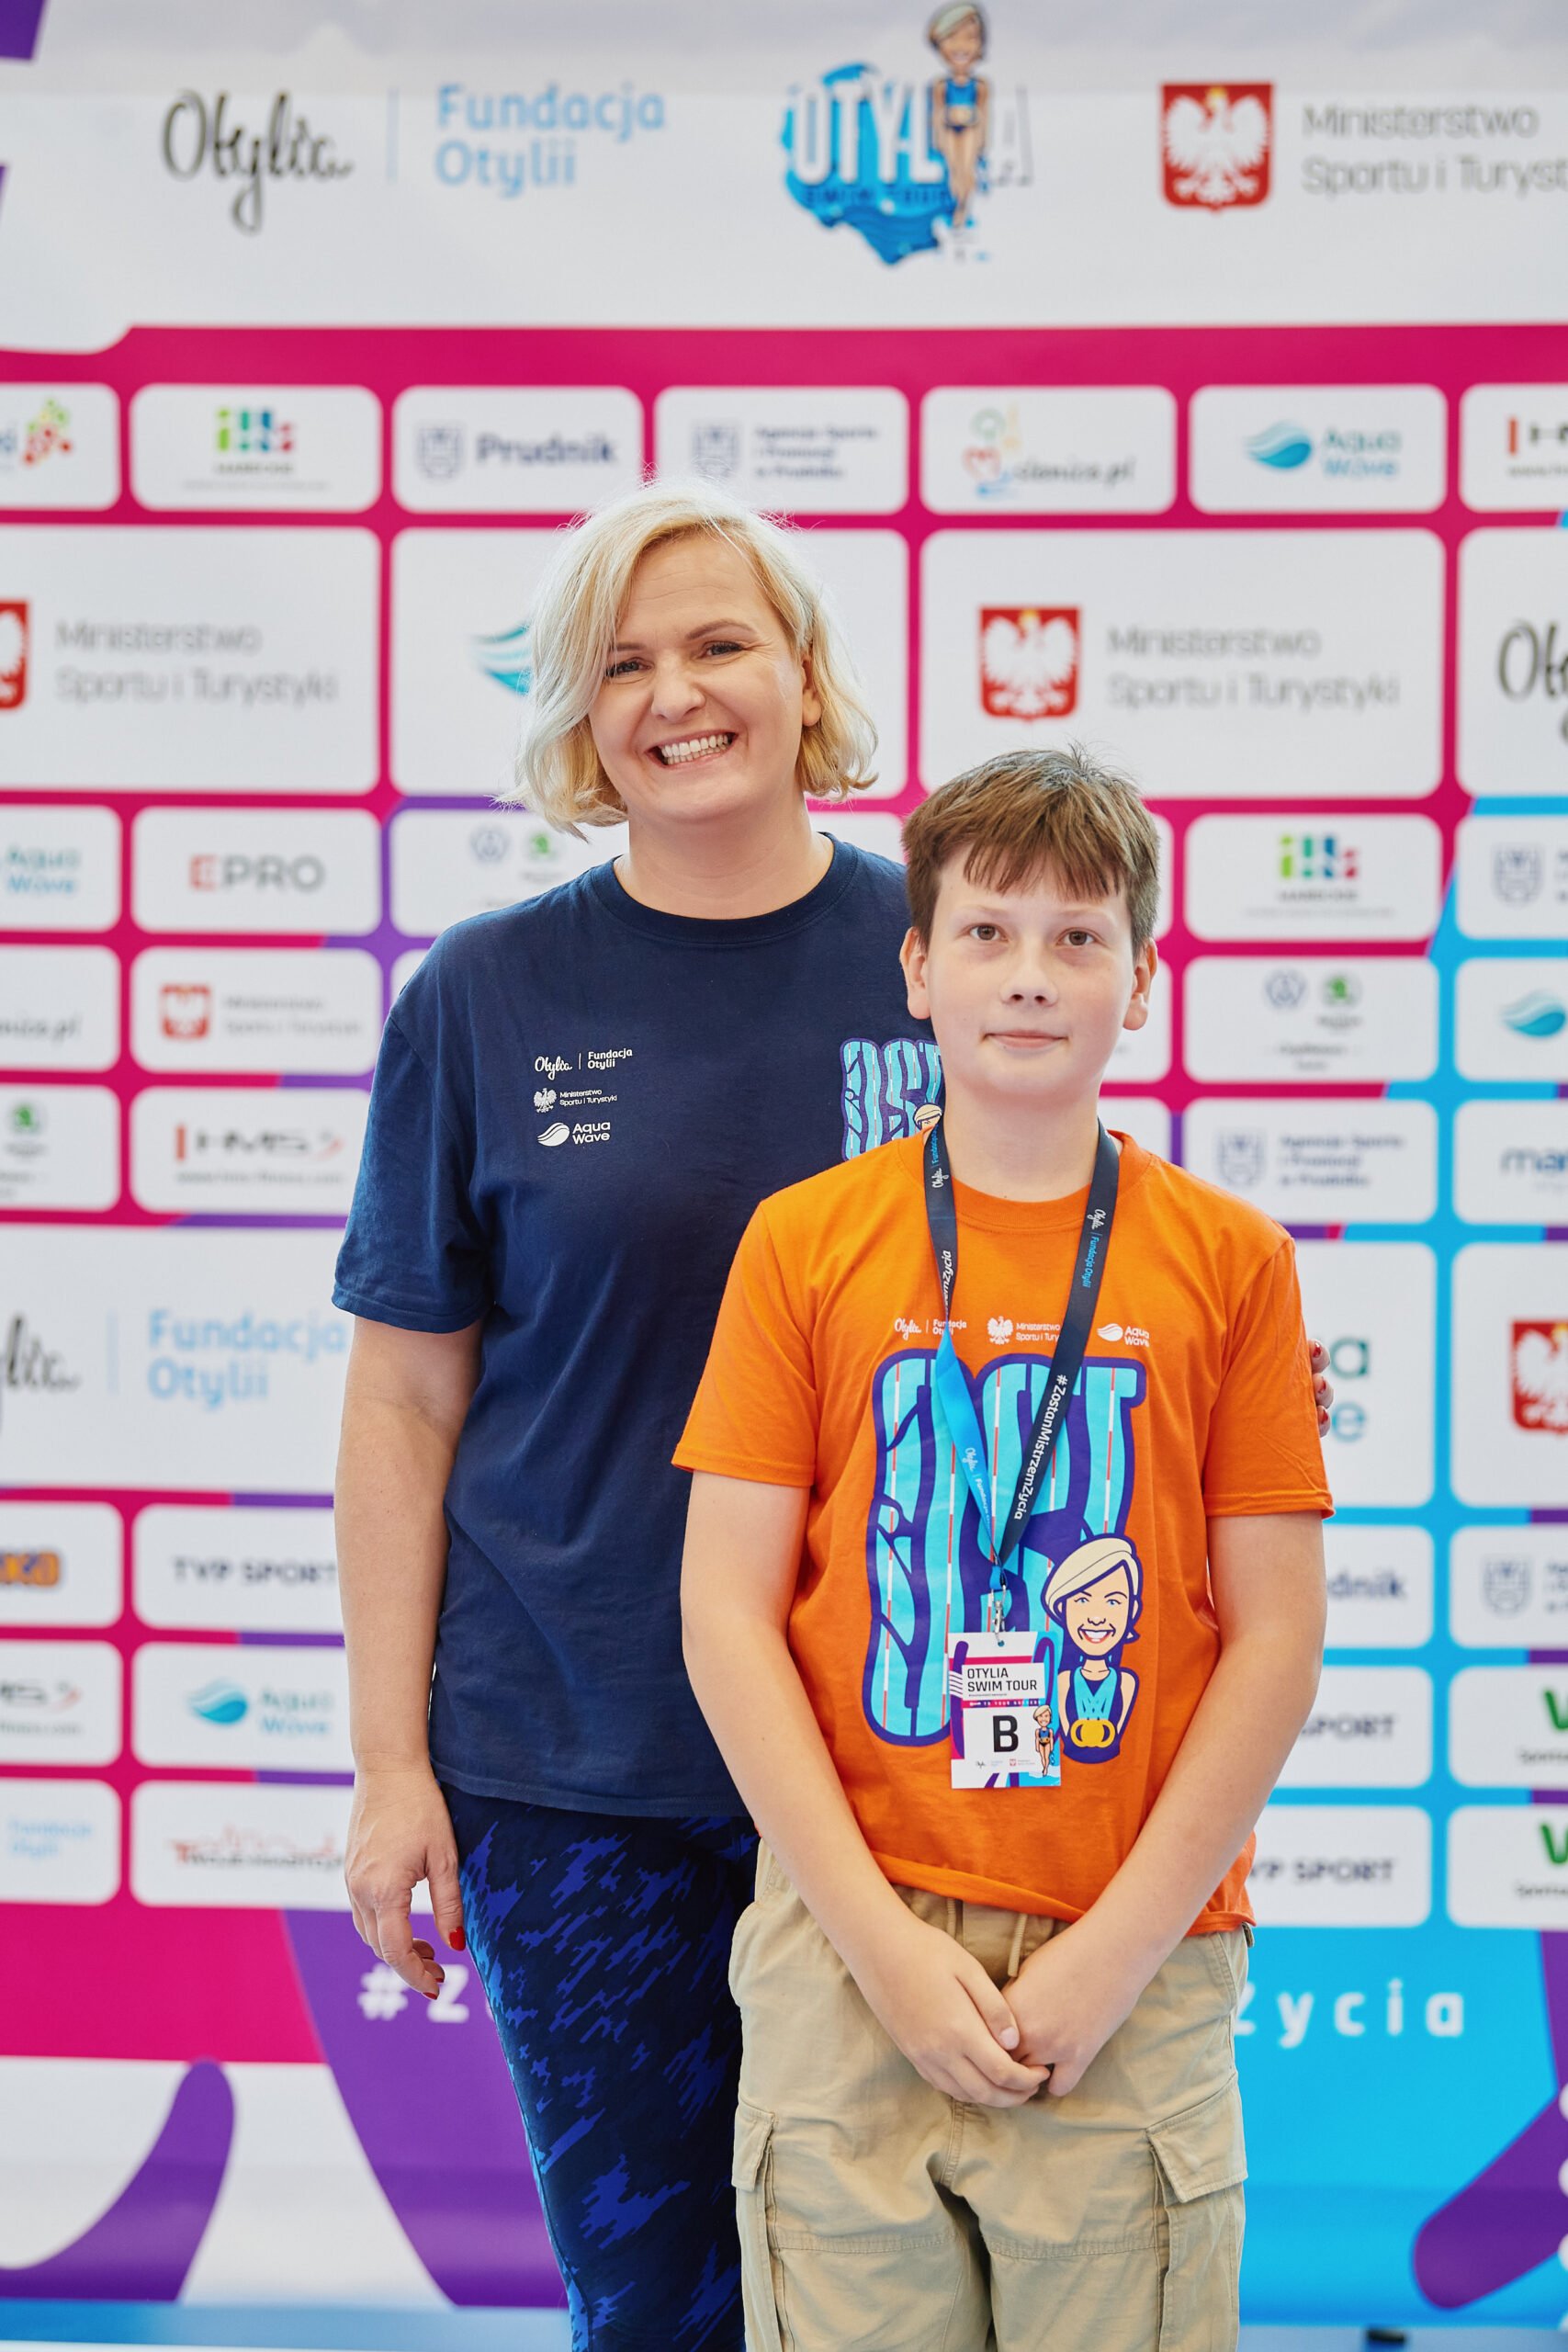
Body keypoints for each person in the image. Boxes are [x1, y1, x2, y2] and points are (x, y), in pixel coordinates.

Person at [331, 482, 943, 2351]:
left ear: (804, 673)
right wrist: (389, 1767)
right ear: (577, 717)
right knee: (660, 2309)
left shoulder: (945, 958)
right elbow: (404, 1400)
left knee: (894, 2306)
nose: (675, 694)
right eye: (621, 664)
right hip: (575, 1768)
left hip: (897, 1753)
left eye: (718, 642)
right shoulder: (483, 993)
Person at [678, 747, 1333, 2352]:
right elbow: (724, 1612)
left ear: (1140, 981)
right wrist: (878, 1951)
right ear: (915, 968)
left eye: (1076, 937)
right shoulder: (802, 1245)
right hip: (848, 1953)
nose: (1028, 975)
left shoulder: (1232, 1264)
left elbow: (1275, 1641)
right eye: (985, 932)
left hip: (1135, 1961)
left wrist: (1113, 1959)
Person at [928, 3, 990, 231]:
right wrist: (938, 137)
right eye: (952, 37)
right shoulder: (941, 85)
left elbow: (984, 113)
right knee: (955, 170)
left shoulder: (980, 85)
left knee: (967, 168)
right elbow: (937, 113)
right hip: (950, 131)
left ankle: (964, 207)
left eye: (970, 38)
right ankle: (957, 207)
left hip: (971, 130)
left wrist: (982, 139)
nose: (961, 46)